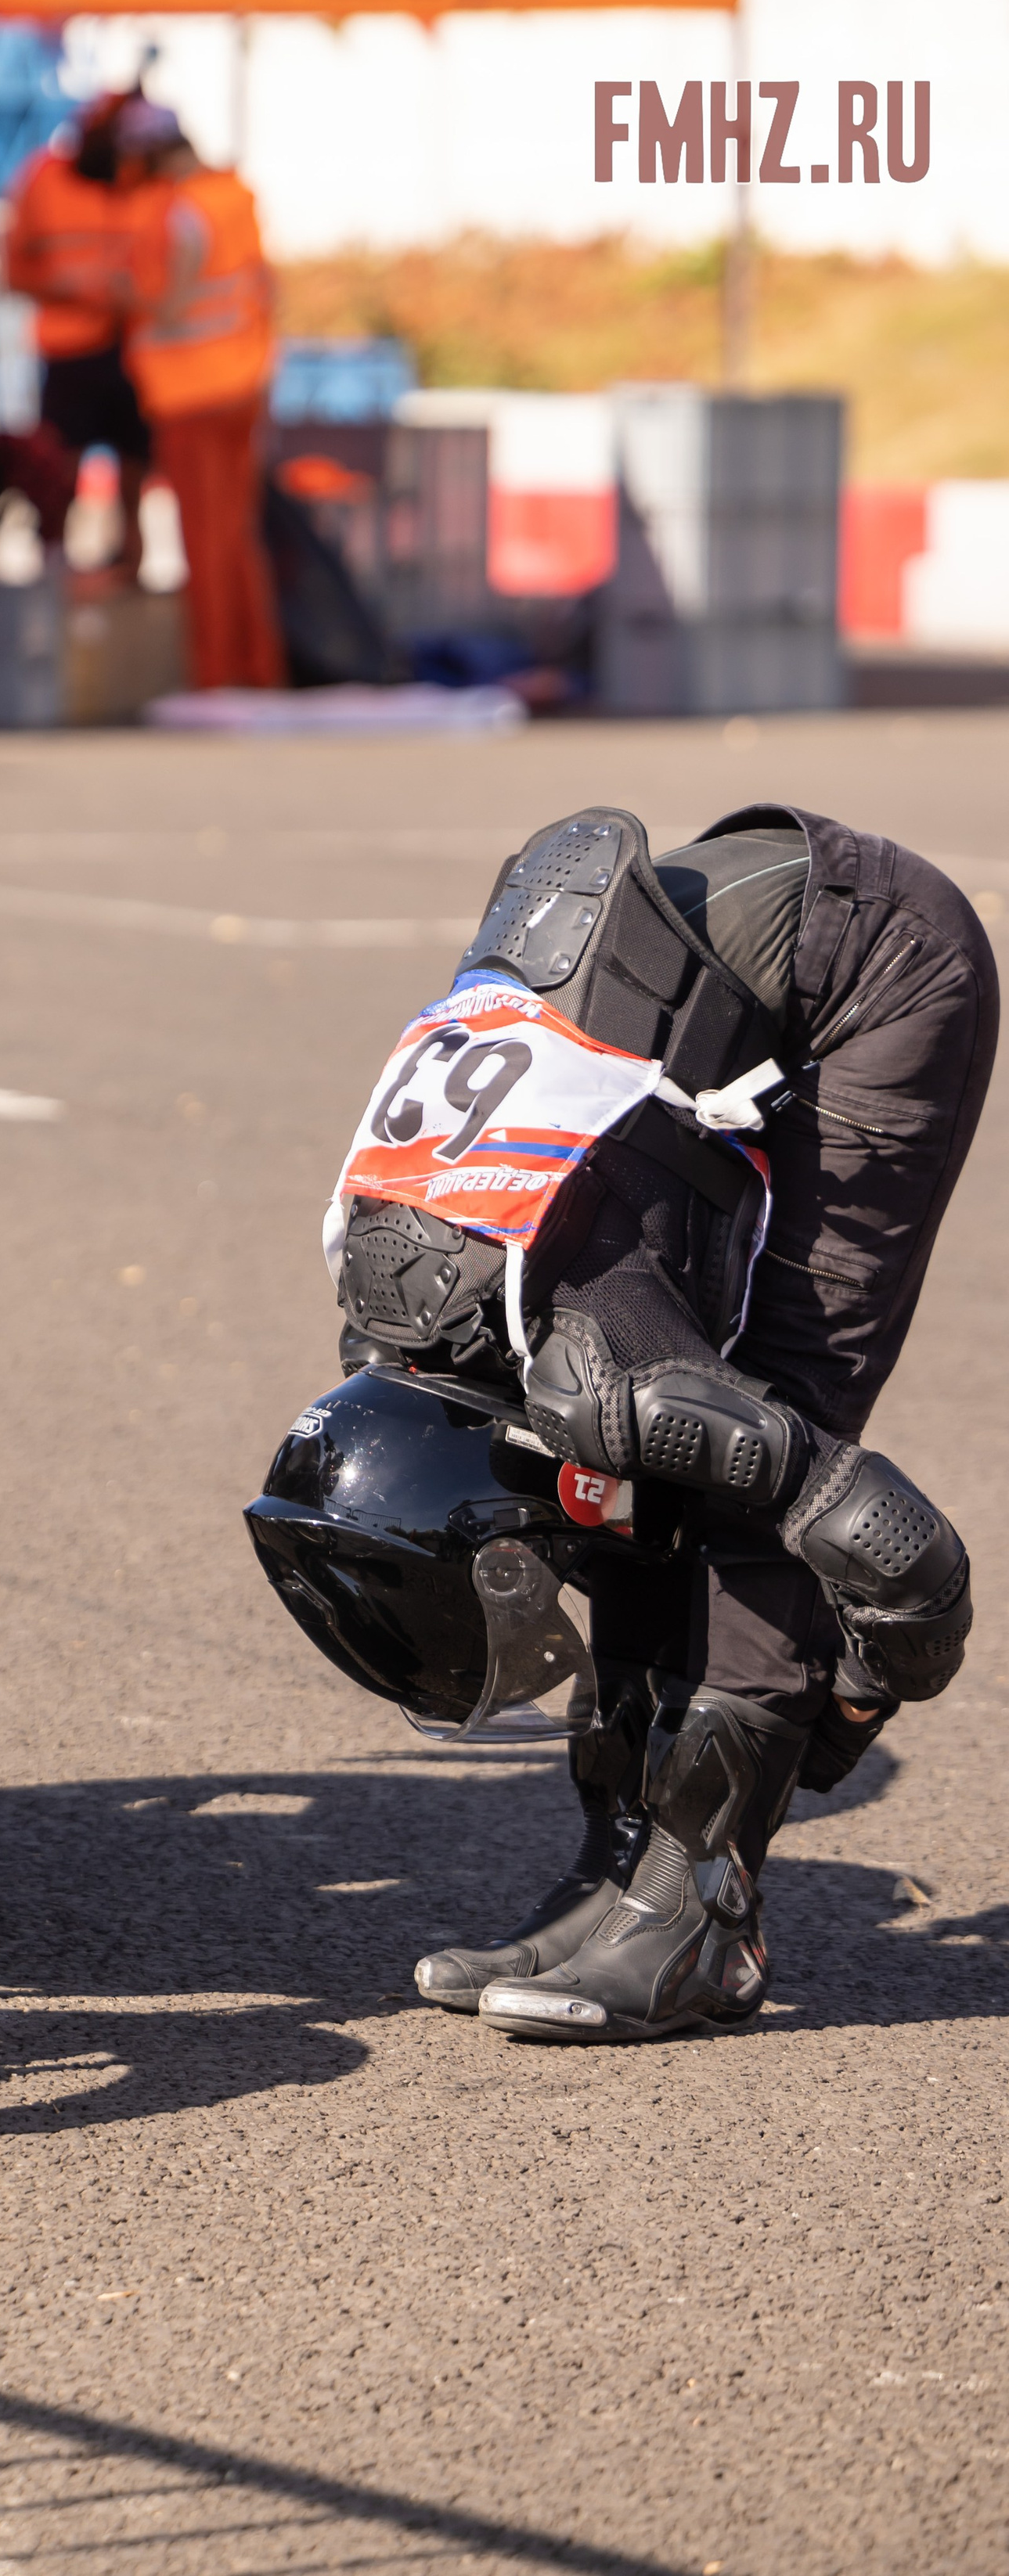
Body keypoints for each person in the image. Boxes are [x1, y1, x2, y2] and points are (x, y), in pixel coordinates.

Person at [328, 804, 995, 2042]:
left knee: (748, 1433)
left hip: (881, 967)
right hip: (720, 976)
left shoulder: (584, 1349)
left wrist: (864, 1663)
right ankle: (618, 1877)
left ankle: (700, 1917)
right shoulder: (404, 1313)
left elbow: (832, 1503)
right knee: (625, 1478)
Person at [116, 102, 283, 693]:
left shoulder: (182, 212)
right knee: (238, 536)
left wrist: (113, 290)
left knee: (206, 540)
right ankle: (258, 668)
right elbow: (265, 287)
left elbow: (169, 302)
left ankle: (217, 673)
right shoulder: (234, 198)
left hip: (192, 390)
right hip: (242, 382)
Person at [2, 94, 149, 577]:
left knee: (135, 471)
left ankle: (131, 571)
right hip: (69, 353)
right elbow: (11, 271)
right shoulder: (44, 180)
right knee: (59, 470)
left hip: (134, 349)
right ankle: (54, 569)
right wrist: (73, 292)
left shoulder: (143, 179)